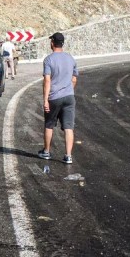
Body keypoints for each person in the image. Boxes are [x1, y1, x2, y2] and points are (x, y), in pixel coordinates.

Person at [39, 32, 79, 164]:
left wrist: (45, 100)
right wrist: (68, 90)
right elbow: (74, 79)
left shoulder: (49, 60)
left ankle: (46, 152)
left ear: (52, 43)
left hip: (54, 98)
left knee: (49, 125)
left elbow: (47, 81)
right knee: (68, 127)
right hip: (69, 96)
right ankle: (68, 156)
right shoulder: (70, 58)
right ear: (62, 43)